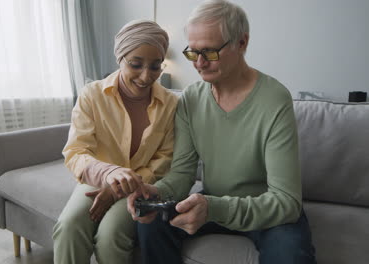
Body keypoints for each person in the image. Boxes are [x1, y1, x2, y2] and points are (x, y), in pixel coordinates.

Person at [127, 1, 316, 263]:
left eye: (210, 52)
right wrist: (155, 193)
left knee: (291, 255)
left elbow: (287, 201)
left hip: (265, 208)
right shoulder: (191, 100)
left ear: (242, 42)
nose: (200, 64)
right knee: (150, 225)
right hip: (212, 202)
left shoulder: (275, 100)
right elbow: (182, 174)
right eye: (193, 53)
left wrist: (214, 208)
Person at [53, 19, 178, 264]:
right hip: (97, 178)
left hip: (141, 186)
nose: (146, 76)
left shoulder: (170, 104)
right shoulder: (92, 95)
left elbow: (163, 161)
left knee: (112, 236)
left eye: (155, 67)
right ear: (120, 59)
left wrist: (119, 188)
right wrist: (109, 174)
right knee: (68, 227)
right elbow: (76, 151)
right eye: (136, 64)